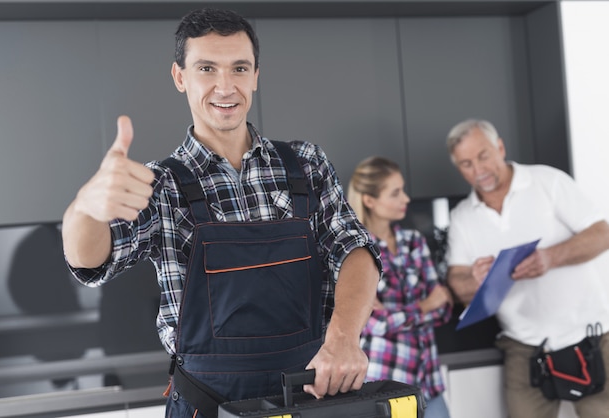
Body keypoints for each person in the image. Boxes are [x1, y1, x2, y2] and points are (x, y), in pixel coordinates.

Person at [61, 8, 381, 418]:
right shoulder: (161, 186)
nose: (225, 86)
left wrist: (343, 337)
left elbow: (356, 250)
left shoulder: (306, 163)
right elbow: (90, 260)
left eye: (239, 68)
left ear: (256, 76)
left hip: (310, 398)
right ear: (180, 77)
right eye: (207, 68)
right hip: (209, 407)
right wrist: (85, 207)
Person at [444, 118, 609, 418]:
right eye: (466, 164)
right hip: (523, 346)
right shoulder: (462, 218)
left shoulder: (547, 182)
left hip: (592, 334)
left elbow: (602, 234)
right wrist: (475, 278)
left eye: (483, 156)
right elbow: (457, 282)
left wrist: (551, 257)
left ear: (500, 147)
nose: (478, 170)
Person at [347, 156, 453, 418]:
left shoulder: (414, 241)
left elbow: (444, 309)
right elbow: (373, 323)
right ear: (370, 200)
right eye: (395, 193)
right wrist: (426, 305)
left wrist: (396, 313)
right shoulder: (357, 252)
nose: (406, 198)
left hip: (428, 379)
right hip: (387, 385)